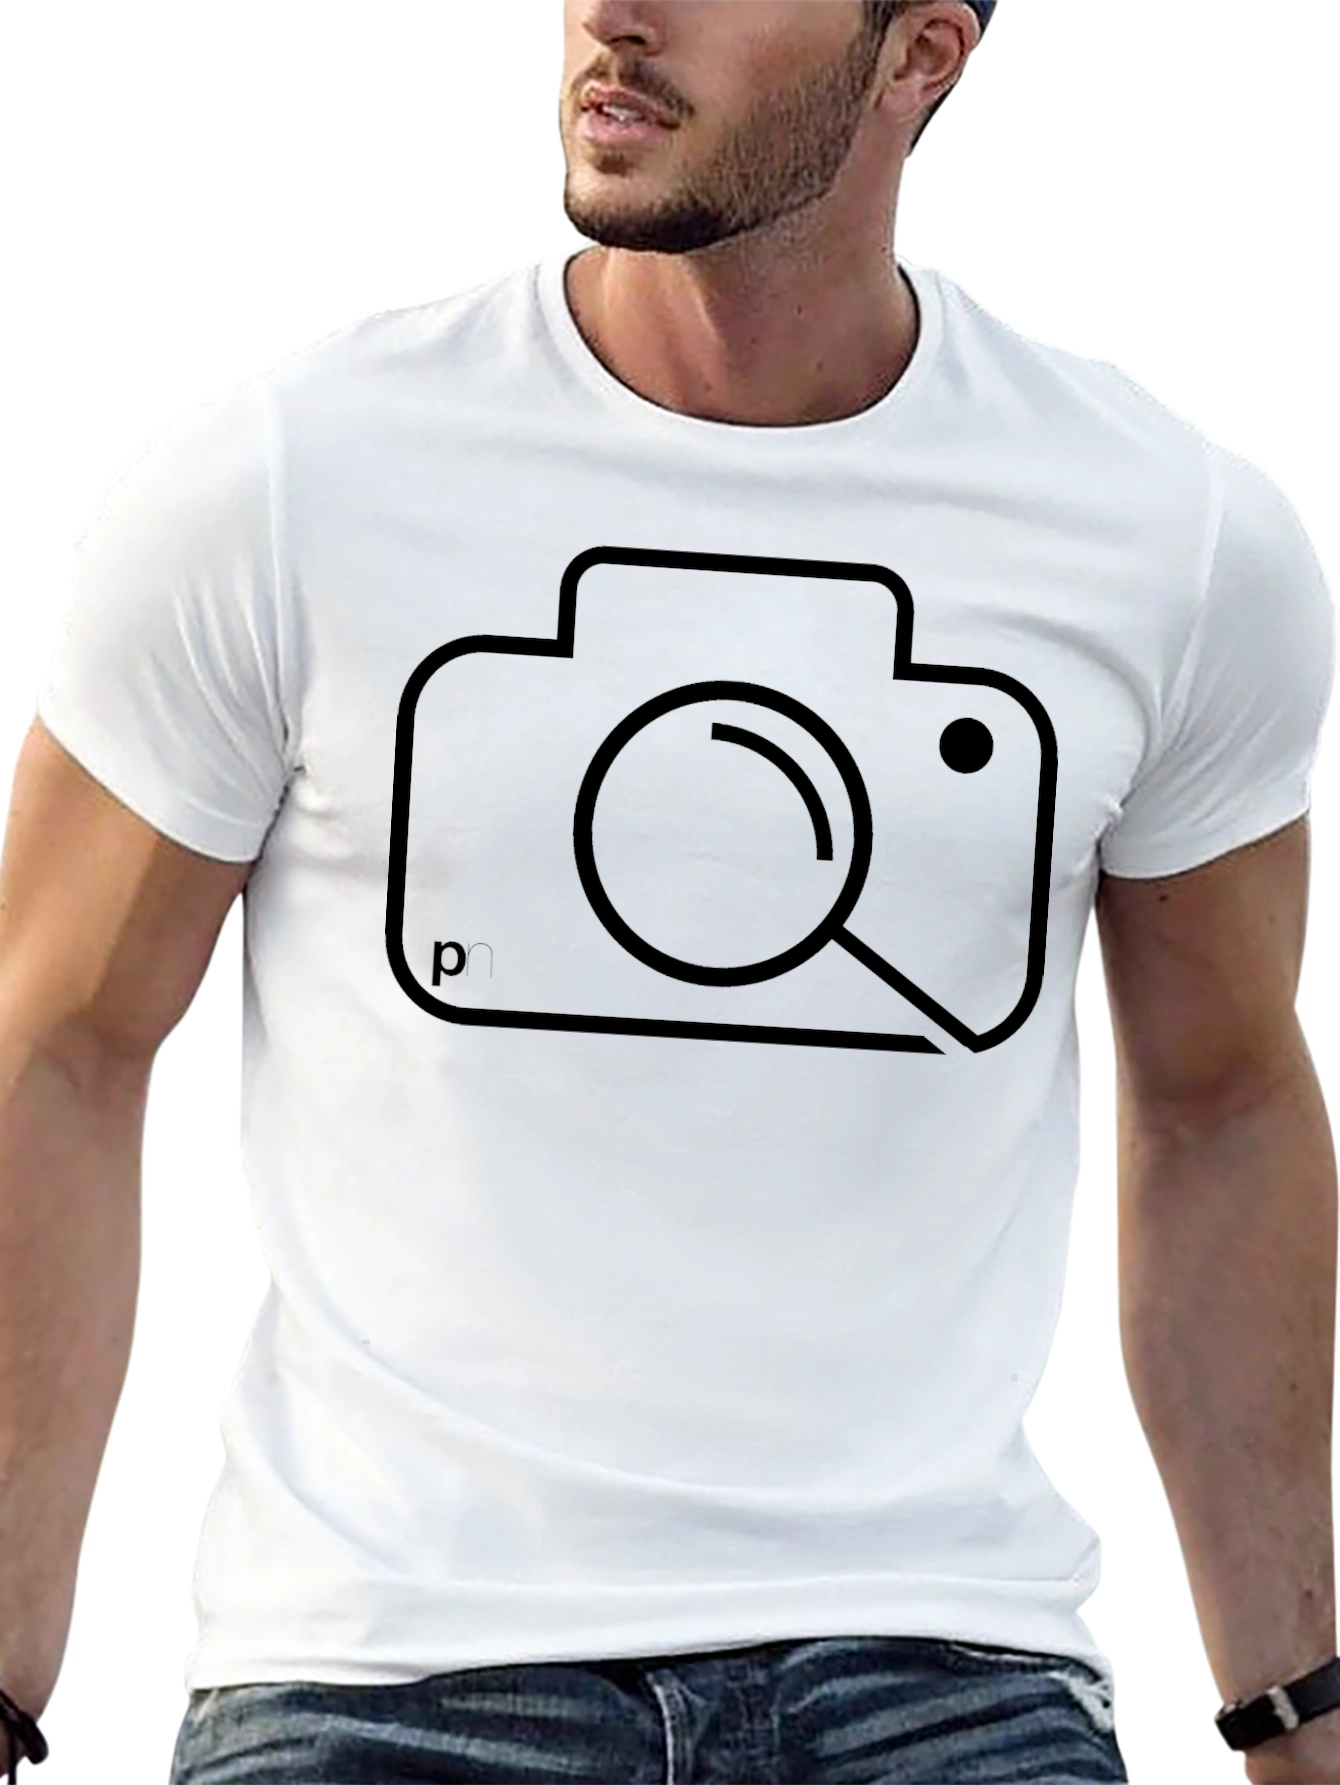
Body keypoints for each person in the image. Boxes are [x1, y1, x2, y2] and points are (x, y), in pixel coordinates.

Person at [0, 0, 1336, 1780]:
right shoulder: (288, 481)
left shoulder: (1167, 538)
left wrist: (1295, 1706)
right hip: (387, 1668)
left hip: (941, 1667)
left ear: (920, 56)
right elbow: (54, 1049)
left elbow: (1226, 1102)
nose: (614, 14)